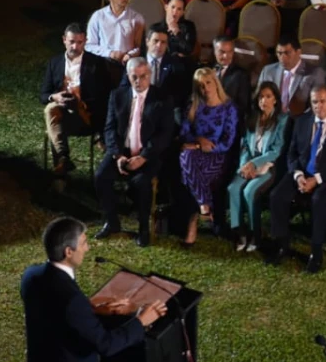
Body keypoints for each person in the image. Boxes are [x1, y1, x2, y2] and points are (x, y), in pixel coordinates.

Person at [21, 217, 165, 362]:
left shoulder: (32, 276)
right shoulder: (70, 298)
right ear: (69, 251)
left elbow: (54, 314)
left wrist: (93, 310)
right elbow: (105, 344)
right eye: (84, 242)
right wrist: (141, 321)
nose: (87, 248)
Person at [266, 84, 326, 274]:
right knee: (277, 196)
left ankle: (316, 253)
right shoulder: (302, 121)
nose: (318, 106)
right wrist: (298, 175)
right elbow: (291, 154)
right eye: (314, 102)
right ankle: (281, 244)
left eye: (323, 101)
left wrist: (317, 179)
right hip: (302, 172)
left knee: (319, 200)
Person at [93, 57, 174, 247]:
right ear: (128, 76)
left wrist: (144, 157)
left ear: (150, 75)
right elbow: (109, 128)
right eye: (134, 77)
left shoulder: (162, 99)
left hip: (148, 154)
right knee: (101, 177)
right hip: (123, 152)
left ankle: (143, 229)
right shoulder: (117, 95)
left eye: (143, 76)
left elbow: (165, 134)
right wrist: (118, 155)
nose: (139, 81)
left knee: (141, 183)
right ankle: (112, 221)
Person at [178, 68, 239, 247]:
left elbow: (227, 142)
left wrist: (202, 147)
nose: (205, 88)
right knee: (186, 156)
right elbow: (184, 133)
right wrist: (198, 141)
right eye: (201, 86)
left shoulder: (229, 108)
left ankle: (193, 222)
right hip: (194, 155)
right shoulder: (194, 105)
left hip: (218, 156)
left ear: (215, 83)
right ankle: (204, 204)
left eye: (208, 83)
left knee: (189, 173)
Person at [228, 82, 287, 253]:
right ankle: (239, 232)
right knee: (233, 188)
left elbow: (276, 150)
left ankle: (256, 234)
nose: (264, 100)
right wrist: (245, 165)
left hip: (267, 166)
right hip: (248, 164)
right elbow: (245, 145)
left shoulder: (282, 120)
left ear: (275, 99)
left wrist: (254, 164)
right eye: (261, 97)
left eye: (268, 96)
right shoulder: (251, 118)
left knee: (249, 191)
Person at [41, 23, 107, 175]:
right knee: (51, 109)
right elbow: (43, 94)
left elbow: (104, 97)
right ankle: (63, 160)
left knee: (54, 125)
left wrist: (80, 102)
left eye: (79, 42)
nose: (75, 46)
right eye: (71, 42)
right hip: (62, 115)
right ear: (64, 40)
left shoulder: (96, 64)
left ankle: (61, 167)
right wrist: (54, 97)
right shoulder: (55, 63)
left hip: (86, 116)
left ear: (85, 41)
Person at [86, 0, 144, 79]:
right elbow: (89, 45)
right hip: (103, 64)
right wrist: (110, 53)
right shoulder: (98, 16)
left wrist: (129, 55)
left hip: (127, 65)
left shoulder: (136, 18)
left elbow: (140, 46)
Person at [259, 36, 325, 117]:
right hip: (273, 119)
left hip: (299, 121)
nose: (282, 57)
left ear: (298, 52)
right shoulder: (268, 71)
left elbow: (318, 105)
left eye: (287, 53)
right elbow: (258, 98)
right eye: (279, 53)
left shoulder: (315, 73)